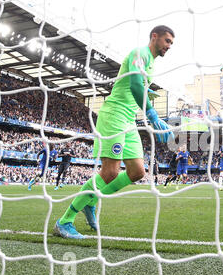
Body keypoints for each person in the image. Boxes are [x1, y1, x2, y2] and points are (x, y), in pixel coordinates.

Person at [54, 25, 175, 239]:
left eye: (171, 43)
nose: (169, 46)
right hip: (114, 117)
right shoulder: (140, 53)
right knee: (109, 173)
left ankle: (90, 201)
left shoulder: (151, 63)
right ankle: (64, 221)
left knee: (137, 171)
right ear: (154, 36)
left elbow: (137, 85)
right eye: (167, 41)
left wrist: (148, 94)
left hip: (128, 121)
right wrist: (152, 114)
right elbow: (136, 85)